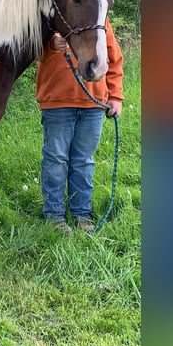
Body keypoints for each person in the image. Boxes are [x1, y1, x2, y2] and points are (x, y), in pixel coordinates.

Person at [36, 20, 124, 234]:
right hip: (57, 101)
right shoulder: (51, 16)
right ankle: (54, 216)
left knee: (84, 161)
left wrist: (115, 96)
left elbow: (113, 59)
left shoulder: (100, 19)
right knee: (55, 159)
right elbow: (32, 51)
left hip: (93, 102)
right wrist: (50, 45)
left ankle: (81, 214)